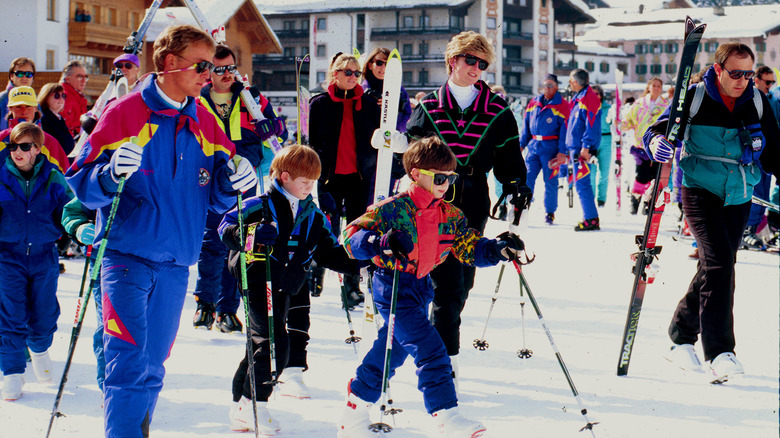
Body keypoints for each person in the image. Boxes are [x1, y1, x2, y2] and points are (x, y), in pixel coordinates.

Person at [65, 24, 257, 437]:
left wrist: (236, 182)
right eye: (201, 65)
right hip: (125, 258)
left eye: (213, 67)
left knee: (152, 366)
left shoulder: (205, 119)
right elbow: (79, 180)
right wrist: (110, 174)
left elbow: (220, 194)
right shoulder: (125, 113)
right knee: (127, 362)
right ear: (170, 63)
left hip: (175, 264)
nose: (209, 75)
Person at [337, 136, 523, 438]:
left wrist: (497, 250)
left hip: (421, 288)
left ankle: (353, 409)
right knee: (431, 349)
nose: (446, 183)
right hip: (393, 286)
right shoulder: (392, 209)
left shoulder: (448, 214)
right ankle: (446, 415)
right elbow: (349, 239)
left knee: (390, 351)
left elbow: (468, 246)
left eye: (451, 177)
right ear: (415, 174)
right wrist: (379, 242)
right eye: (439, 177)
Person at [643, 43, 779, 382]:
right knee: (720, 263)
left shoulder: (757, 101)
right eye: (735, 73)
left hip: (739, 193)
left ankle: (680, 336)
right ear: (718, 70)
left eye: (748, 73)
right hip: (698, 189)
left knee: (715, 265)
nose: (743, 80)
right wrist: (655, 144)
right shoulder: (695, 97)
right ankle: (720, 352)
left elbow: (776, 151)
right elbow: (657, 130)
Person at [405, 31, 527, 380]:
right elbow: (413, 151)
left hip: (473, 193)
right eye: (470, 60)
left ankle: (439, 343)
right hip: (434, 195)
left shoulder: (498, 110)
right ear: (453, 61)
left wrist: (517, 185)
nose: (476, 68)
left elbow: (509, 155)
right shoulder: (427, 105)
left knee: (464, 279)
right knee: (447, 283)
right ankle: (445, 359)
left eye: (482, 63)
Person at [218, 144, 358, 434]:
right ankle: (256, 404)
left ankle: (239, 405)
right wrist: (252, 235)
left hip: (286, 285)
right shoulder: (260, 203)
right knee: (274, 345)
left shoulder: (313, 214)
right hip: (258, 280)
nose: (310, 187)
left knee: (258, 345)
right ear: (284, 177)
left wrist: (365, 264)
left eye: (313, 182)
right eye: (304, 182)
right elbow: (225, 228)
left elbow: (329, 251)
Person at [192, 44, 287, 333]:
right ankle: (204, 304)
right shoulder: (197, 97)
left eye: (231, 68)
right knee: (212, 244)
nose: (226, 75)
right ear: (209, 70)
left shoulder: (250, 96)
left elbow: (275, 126)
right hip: (209, 175)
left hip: (245, 176)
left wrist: (272, 127)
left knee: (238, 243)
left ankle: (227, 310)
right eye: (219, 69)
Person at [0, 122, 74, 401]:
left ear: (38, 149)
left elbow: (70, 210)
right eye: (13, 146)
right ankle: (13, 374)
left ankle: (40, 348)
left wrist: (73, 230)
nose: (17, 152)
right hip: (8, 255)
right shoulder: (1, 177)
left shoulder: (54, 177)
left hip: (44, 255)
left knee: (43, 317)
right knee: (11, 315)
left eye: (24, 146)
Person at [308, 52, 381, 306]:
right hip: (329, 177)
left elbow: (375, 141)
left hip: (358, 177)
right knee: (328, 226)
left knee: (355, 231)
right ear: (335, 74)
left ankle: (351, 285)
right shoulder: (319, 103)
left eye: (356, 73)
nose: (353, 77)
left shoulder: (369, 104)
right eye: (347, 72)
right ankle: (317, 266)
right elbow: (313, 143)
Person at [61, 198, 102, 389]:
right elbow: (72, 210)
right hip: (106, 260)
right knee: (111, 328)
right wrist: (79, 227)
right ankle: (110, 386)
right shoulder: (108, 169)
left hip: (161, 262)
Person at [518, 73, 569, 225]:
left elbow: (564, 132)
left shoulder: (563, 105)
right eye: (544, 85)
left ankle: (550, 212)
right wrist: (521, 145)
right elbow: (526, 127)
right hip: (533, 148)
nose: (546, 89)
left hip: (551, 150)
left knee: (550, 182)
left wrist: (562, 152)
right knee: (527, 179)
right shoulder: (533, 103)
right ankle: (522, 210)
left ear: (556, 87)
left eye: (550, 85)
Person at [741, 65, 779, 250]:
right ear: (756, 80)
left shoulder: (772, 99)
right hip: (752, 154)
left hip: (768, 155)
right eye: (767, 81)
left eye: (773, 82)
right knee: (753, 193)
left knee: (763, 194)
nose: (770, 85)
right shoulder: (751, 98)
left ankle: (754, 229)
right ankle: (746, 230)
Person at [620, 77, 670, 215]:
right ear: (649, 87)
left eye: (658, 86)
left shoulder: (665, 105)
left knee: (655, 176)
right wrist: (620, 123)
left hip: (657, 146)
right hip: (641, 146)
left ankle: (649, 204)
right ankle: (635, 201)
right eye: (653, 85)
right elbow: (628, 121)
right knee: (641, 176)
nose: (656, 88)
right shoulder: (639, 104)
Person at [1, 86, 70, 174]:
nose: (24, 111)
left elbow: (64, 177)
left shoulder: (49, 142)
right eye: (18, 107)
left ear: (35, 108)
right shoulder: (1, 139)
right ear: (10, 109)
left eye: (28, 106)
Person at [565, 68, 602, 231]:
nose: (569, 84)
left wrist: (586, 146)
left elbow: (591, 124)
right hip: (575, 147)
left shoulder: (590, 98)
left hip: (582, 149)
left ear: (577, 82)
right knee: (580, 183)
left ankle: (591, 218)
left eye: (571, 80)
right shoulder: (578, 97)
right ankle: (589, 216)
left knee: (583, 184)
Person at [590, 85, 613, 207]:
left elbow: (615, 124)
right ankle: (591, 197)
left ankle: (602, 199)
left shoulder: (608, 109)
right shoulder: (587, 108)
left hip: (605, 139)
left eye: (597, 94)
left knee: (604, 172)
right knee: (591, 173)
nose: (595, 96)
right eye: (593, 94)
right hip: (591, 140)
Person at [38, 83, 75, 156]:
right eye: (57, 95)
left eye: (63, 96)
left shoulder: (59, 118)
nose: (61, 99)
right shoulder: (44, 119)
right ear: (45, 97)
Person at [0, 57, 36, 131]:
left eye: (29, 74)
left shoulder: (34, 100)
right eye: (19, 74)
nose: (24, 77)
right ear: (11, 76)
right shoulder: (2, 99)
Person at [60, 60, 89, 137]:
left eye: (85, 77)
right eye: (79, 77)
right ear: (67, 79)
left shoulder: (77, 97)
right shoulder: (63, 97)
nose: (83, 81)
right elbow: (65, 126)